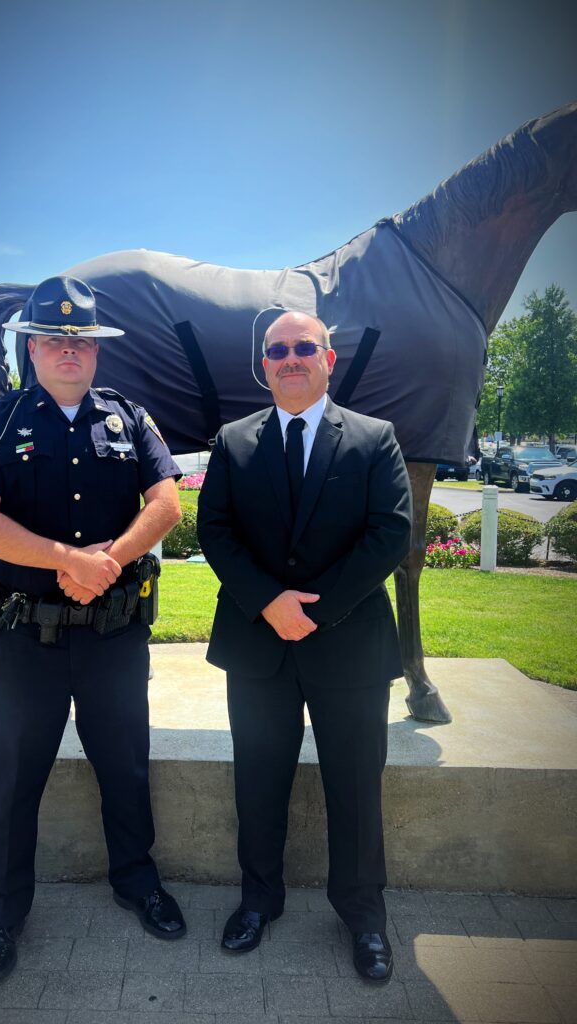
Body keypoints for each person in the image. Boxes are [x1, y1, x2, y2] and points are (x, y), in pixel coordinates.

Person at [0, 275, 187, 982]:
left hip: (114, 638)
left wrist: (108, 560)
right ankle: (1, 917)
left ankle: (137, 882)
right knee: (13, 780)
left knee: (127, 767)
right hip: (26, 641)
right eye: (53, 339)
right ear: (30, 346)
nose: (68, 351)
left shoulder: (129, 419)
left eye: (80, 340)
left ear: (96, 351)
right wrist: (66, 561)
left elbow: (168, 502)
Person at [197, 311, 412, 982]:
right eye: (277, 350)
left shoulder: (376, 439)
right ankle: (259, 901)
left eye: (303, 348)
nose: (290, 358)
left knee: (355, 788)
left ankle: (364, 916)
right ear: (264, 364)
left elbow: (390, 533)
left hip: (348, 645)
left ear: (328, 358)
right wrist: (269, 601)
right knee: (258, 782)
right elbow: (215, 531)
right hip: (257, 644)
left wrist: (314, 610)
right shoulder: (232, 442)